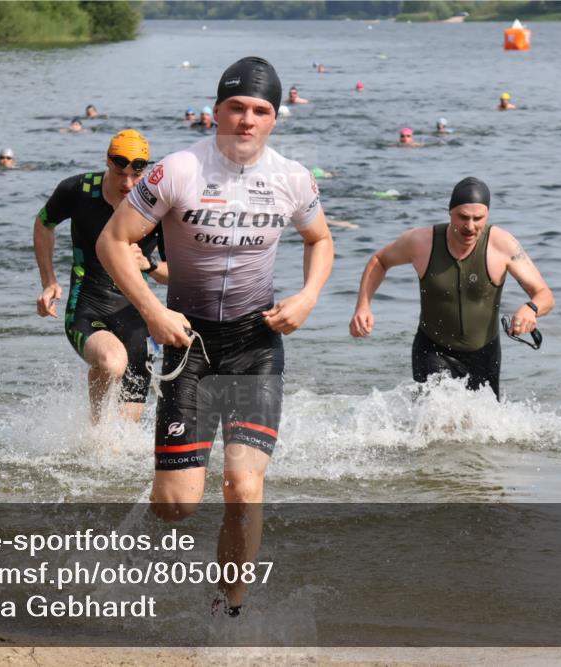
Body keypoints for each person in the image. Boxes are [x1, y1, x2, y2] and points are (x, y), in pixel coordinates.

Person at [97, 56, 333, 616]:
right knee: (176, 505)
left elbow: (320, 240)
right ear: (216, 110)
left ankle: (228, 608)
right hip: (187, 345)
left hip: (256, 344)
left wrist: (306, 297)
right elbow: (113, 241)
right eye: (236, 108)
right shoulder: (176, 171)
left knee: (243, 486)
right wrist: (152, 311)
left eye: (260, 110)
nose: (247, 120)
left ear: (276, 117)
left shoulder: (294, 180)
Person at [349, 177, 554, 399]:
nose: (470, 226)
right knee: (435, 422)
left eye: (478, 218)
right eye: (463, 217)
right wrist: (363, 306)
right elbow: (380, 261)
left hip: (485, 353)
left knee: (482, 430)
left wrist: (531, 308)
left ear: (487, 215)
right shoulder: (422, 242)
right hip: (433, 350)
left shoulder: (502, 245)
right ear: (450, 212)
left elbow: (544, 295)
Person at [34, 129, 167, 423]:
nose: (128, 184)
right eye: (121, 174)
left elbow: (175, 273)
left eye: (136, 176)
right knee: (112, 362)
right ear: (108, 163)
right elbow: (44, 223)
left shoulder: (157, 205)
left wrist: (150, 265)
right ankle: (94, 429)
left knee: (127, 429)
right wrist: (49, 282)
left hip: (137, 314)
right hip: (86, 305)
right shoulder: (78, 190)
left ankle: (102, 448)